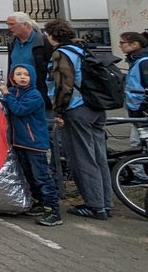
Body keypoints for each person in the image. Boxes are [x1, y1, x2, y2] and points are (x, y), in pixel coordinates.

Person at [45, 18, 112, 220]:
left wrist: (59, 111)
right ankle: (105, 204)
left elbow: (63, 86)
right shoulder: (81, 49)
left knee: (82, 158)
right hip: (96, 107)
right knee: (99, 157)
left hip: (76, 109)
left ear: (51, 36)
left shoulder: (62, 54)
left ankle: (94, 206)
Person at [0, 64, 61, 226]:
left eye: (26, 74)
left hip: (34, 144)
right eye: (18, 74)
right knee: (30, 176)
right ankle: (41, 203)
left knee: (42, 177)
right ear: (12, 77)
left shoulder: (34, 96)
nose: (22, 77)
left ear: (32, 77)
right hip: (20, 143)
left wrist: (6, 94)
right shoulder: (13, 92)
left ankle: (53, 211)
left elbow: (19, 109)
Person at [6, 13, 51, 104]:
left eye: (12, 24)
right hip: (16, 93)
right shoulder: (12, 43)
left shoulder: (43, 42)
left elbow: (50, 69)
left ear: (25, 25)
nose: (9, 27)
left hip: (37, 94)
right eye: (8, 24)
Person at [119, 31, 148, 120]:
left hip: (141, 110)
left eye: (122, 42)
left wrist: (144, 108)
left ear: (135, 44)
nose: (120, 45)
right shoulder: (136, 60)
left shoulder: (144, 62)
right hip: (136, 108)